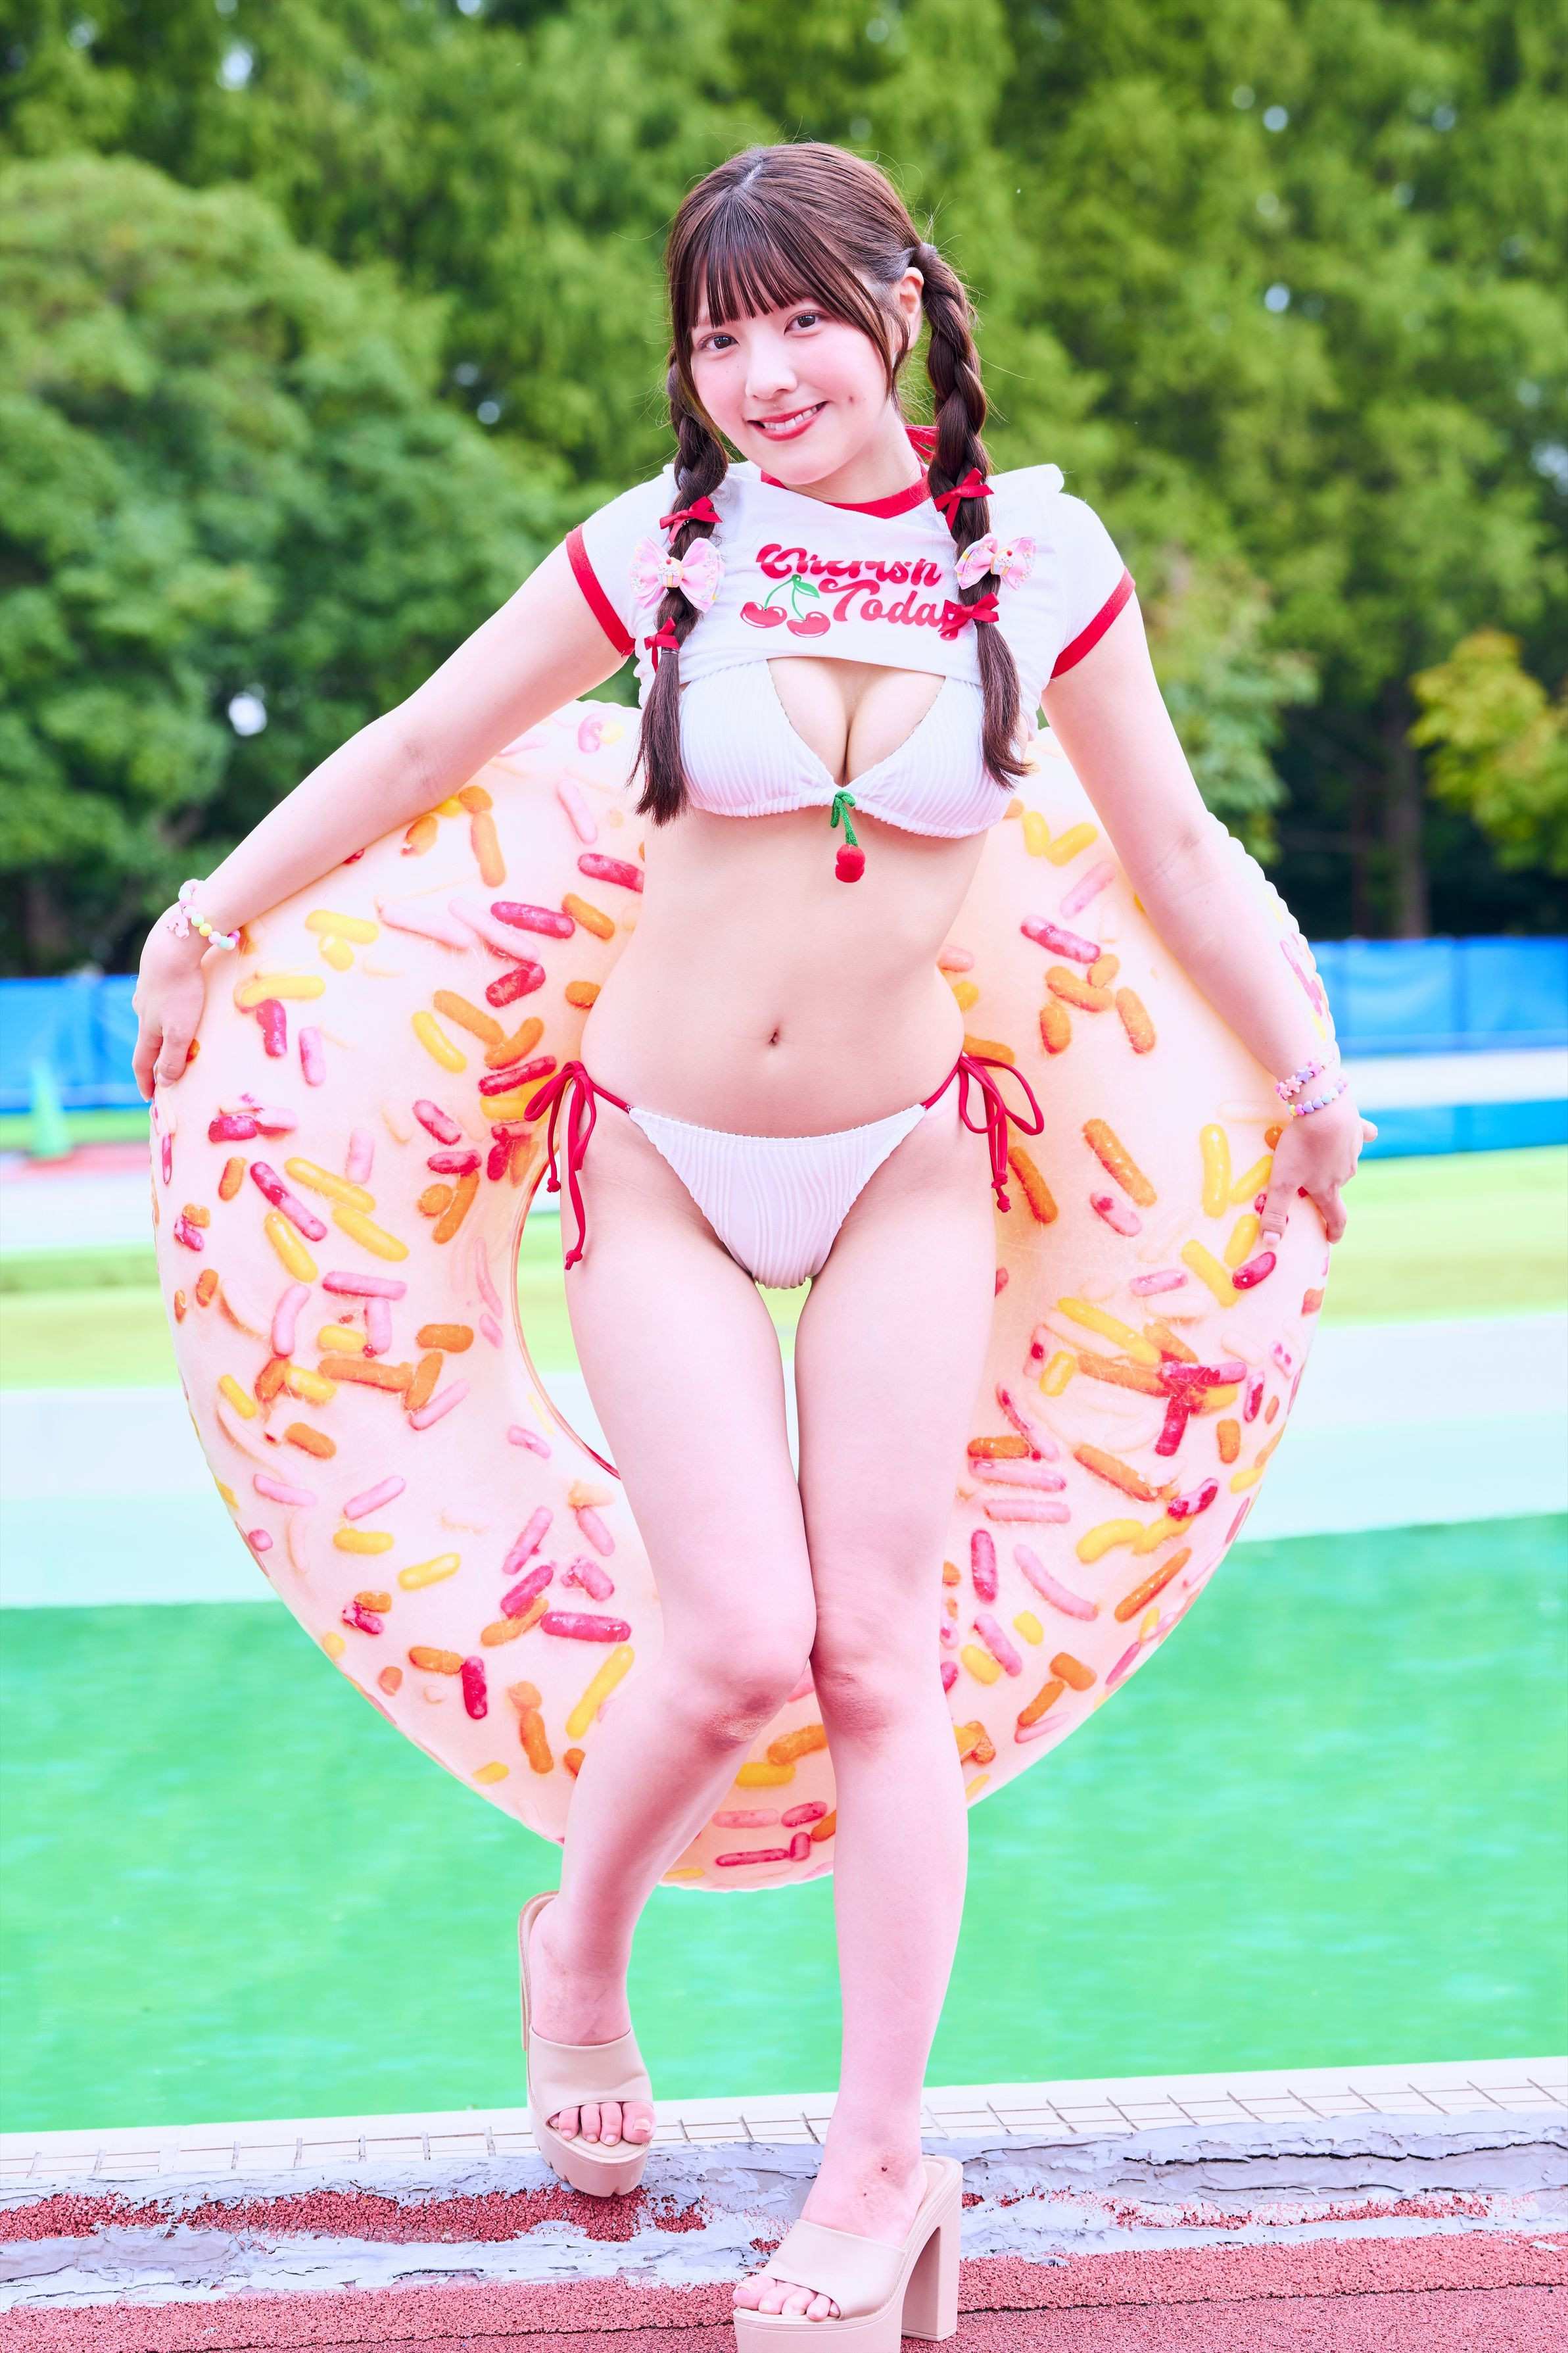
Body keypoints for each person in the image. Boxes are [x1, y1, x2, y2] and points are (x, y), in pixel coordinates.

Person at [133, 143, 1372, 2335]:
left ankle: (880, 2164)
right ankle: (578, 1945)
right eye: (718, 336)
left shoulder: (1040, 557)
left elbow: (1173, 847)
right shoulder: (667, 544)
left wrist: (1303, 1072)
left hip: (902, 1158)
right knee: (729, 1646)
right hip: (661, 1162)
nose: (761, 372)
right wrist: (211, 910)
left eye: (798, 317)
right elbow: (425, 739)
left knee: (877, 1660)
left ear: (897, 305)